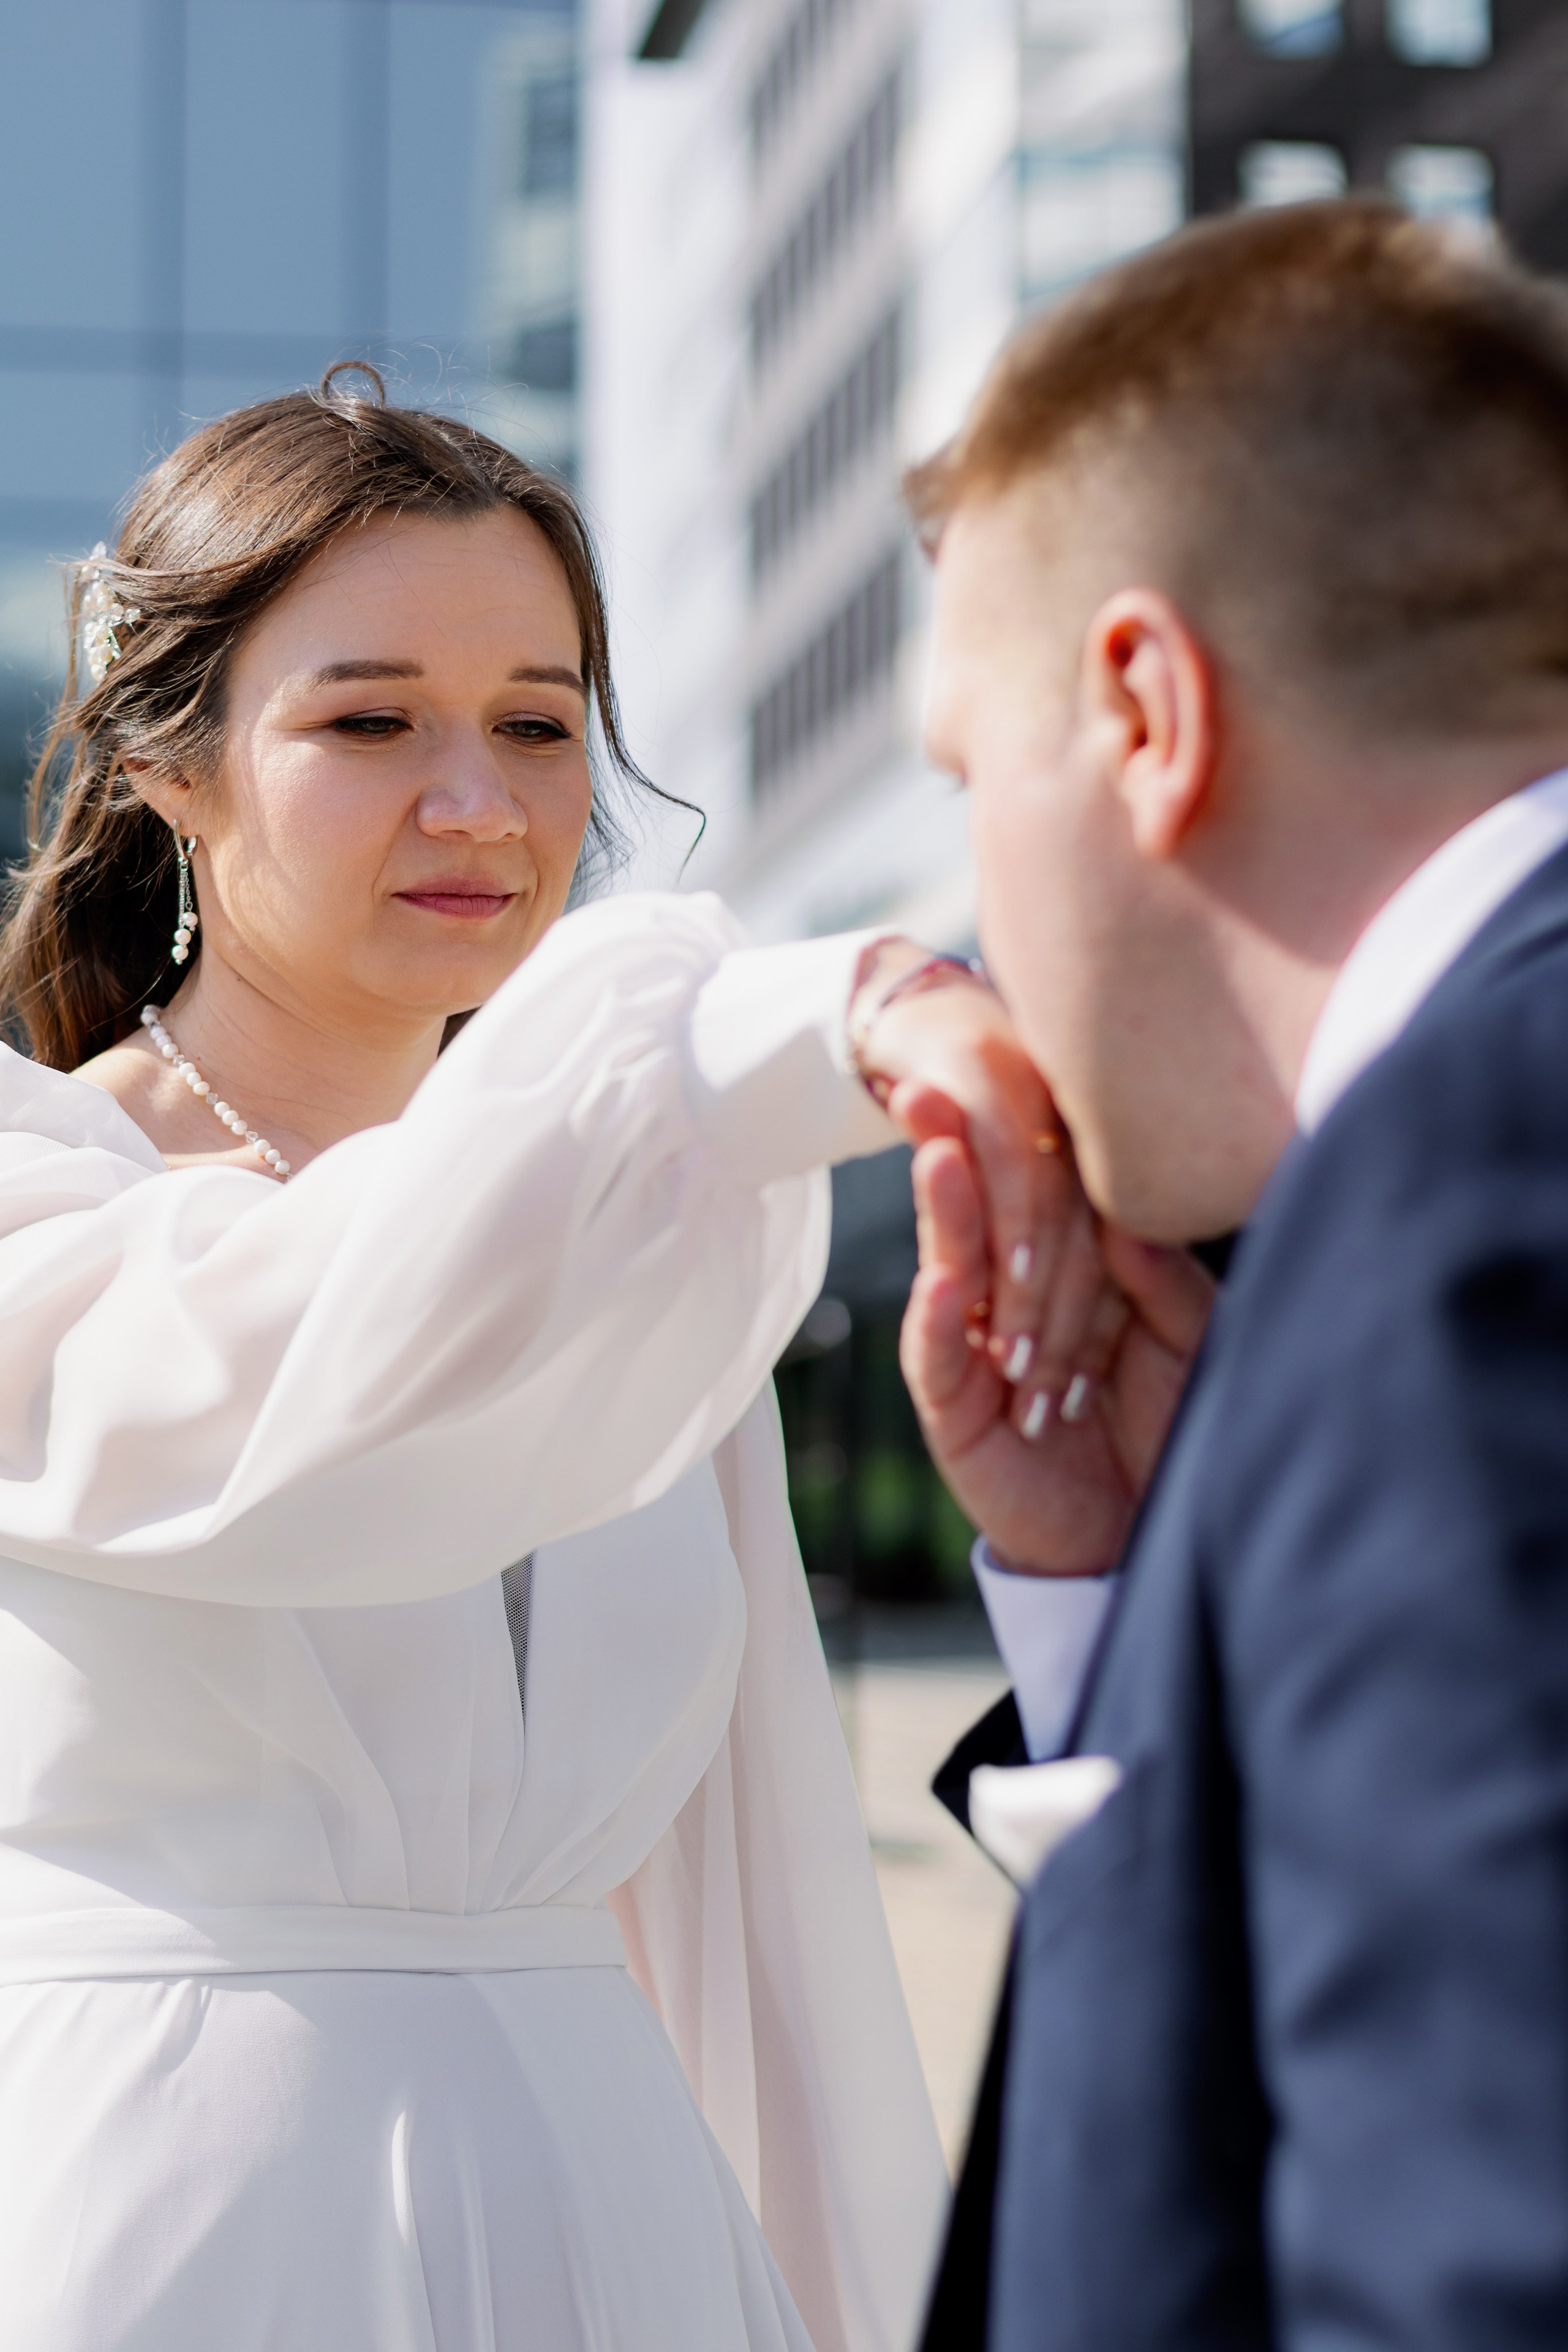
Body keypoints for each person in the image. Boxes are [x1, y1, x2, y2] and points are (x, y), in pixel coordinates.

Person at [0, 370, 1075, 2352]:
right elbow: (282, 1392)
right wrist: (763, 1036)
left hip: (624, 2235)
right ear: (168, 761)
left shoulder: (636, 1254)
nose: (482, 805)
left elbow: (772, 1934)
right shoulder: (32, 1196)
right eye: (368, 720)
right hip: (162, 2238)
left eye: (537, 726)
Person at [897, 201, 1568, 2350]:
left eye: (968, 781)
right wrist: (1144, 1598)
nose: (977, 898)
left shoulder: (1461, 1191)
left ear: (1144, 710)